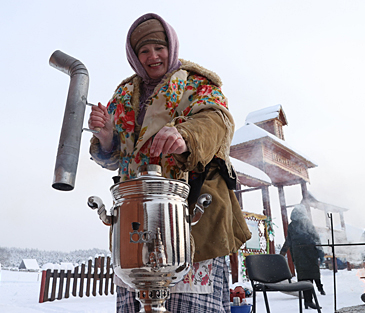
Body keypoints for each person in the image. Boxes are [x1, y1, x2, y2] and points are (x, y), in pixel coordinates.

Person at [88, 13, 251, 313]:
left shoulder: (195, 83)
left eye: (159, 47)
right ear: (135, 56)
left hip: (191, 219)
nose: (153, 56)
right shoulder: (124, 95)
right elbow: (113, 156)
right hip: (135, 221)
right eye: (144, 51)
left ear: (171, 46)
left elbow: (218, 121)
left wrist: (185, 135)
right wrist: (107, 136)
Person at [279, 204, 325, 310]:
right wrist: (320, 252)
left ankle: (308, 301)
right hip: (309, 253)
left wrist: (282, 253)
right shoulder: (307, 223)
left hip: (299, 255)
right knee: (310, 277)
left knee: (304, 278)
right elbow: (316, 238)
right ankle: (309, 300)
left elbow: (288, 241)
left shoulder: (292, 225)